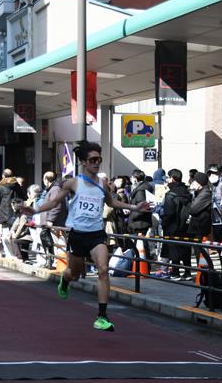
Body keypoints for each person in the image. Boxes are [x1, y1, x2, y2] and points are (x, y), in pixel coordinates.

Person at [22, 141, 152, 331]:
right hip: (77, 235)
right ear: (83, 162)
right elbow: (54, 202)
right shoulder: (73, 182)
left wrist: (134, 207)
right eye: (92, 160)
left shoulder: (102, 183)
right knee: (73, 274)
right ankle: (65, 280)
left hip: (96, 234)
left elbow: (112, 202)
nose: (96, 163)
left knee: (103, 269)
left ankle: (101, 316)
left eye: (99, 159)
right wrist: (34, 210)